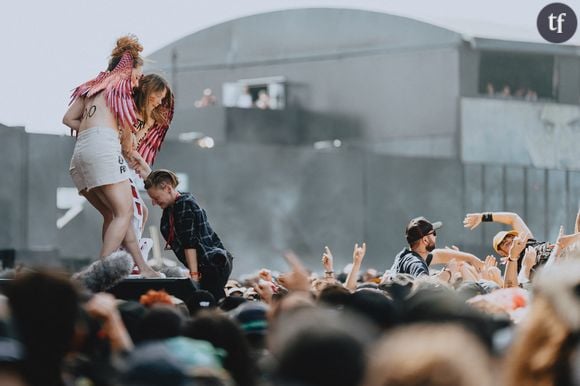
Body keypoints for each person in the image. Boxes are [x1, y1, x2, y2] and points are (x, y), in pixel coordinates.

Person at [62, 35, 160, 278]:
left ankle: (140, 266)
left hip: (81, 153)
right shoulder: (120, 85)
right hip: (103, 148)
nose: (137, 83)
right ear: (127, 70)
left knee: (116, 214)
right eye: (137, 76)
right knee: (126, 212)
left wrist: (91, 128)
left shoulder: (92, 86)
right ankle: (102, 271)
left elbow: (67, 119)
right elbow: (127, 131)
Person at [142, 169, 233, 300]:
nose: (154, 202)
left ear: (168, 188)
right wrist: (141, 164)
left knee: (208, 301)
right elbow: (155, 181)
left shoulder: (183, 204)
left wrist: (194, 275)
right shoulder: (175, 203)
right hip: (211, 263)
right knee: (211, 300)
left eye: (156, 198)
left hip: (212, 264)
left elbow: (189, 243)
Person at [125, 74, 174, 262]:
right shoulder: (128, 109)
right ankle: (130, 256)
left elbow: (133, 146)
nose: (161, 101)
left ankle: (133, 253)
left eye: (164, 98)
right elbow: (128, 145)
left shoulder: (150, 118)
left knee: (140, 212)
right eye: (159, 95)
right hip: (117, 162)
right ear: (148, 90)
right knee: (135, 212)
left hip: (127, 164)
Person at [390, 217, 484, 281]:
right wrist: (448, 273)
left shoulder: (406, 255)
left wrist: (472, 259)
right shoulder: (416, 263)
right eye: (433, 234)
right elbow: (424, 285)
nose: (436, 237)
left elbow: (439, 255)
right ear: (425, 240)